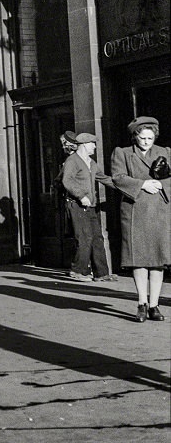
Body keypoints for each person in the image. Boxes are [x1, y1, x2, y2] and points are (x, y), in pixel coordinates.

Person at [111, 116, 171, 322]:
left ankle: (155, 305)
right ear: (135, 136)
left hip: (159, 211)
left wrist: (163, 185)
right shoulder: (123, 153)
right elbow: (117, 178)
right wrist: (143, 184)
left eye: (150, 138)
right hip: (135, 211)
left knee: (157, 261)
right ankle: (141, 303)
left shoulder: (165, 152)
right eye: (143, 138)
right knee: (138, 260)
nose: (146, 142)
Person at [61, 132, 115, 282]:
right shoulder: (73, 161)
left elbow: (104, 179)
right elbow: (67, 181)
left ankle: (101, 273)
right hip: (77, 204)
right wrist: (80, 195)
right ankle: (78, 271)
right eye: (93, 143)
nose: (95, 146)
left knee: (97, 237)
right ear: (84, 145)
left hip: (91, 205)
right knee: (84, 237)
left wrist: (129, 186)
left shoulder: (91, 163)